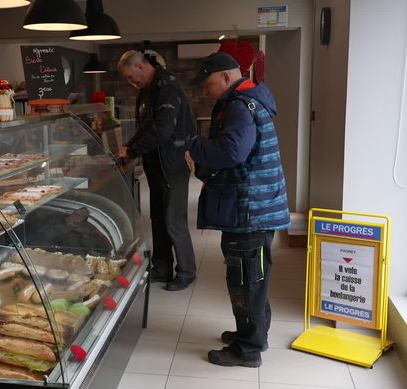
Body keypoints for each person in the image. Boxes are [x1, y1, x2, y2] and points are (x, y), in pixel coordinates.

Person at [188, 52, 290, 367]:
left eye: (208, 84)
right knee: (253, 280)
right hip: (255, 208)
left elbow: (231, 151)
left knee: (246, 281)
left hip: (249, 212)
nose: (206, 91)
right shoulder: (249, 101)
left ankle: (248, 349)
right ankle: (253, 334)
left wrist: (193, 145)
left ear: (226, 77)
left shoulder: (241, 107)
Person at [117, 50, 196, 291]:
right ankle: (162, 267)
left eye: (132, 77)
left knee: (174, 220)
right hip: (155, 165)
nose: (131, 83)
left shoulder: (166, 86)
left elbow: (162, 130)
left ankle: (186, 271)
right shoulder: (146, 91)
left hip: (172, 163)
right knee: (159, 219)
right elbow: (145, 127)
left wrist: (131, 152)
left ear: (141, 66)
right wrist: (129, 148)